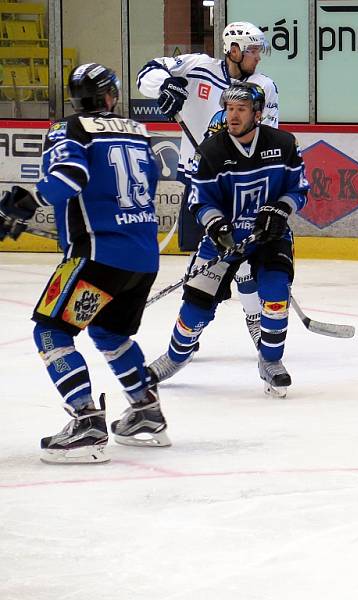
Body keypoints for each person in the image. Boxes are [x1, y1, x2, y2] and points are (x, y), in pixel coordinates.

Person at [0, 63, 168, 464]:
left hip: (97, 258)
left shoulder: (69, 129)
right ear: (110, 96)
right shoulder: (137, 132)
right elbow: (152, 180)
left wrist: (25, 204)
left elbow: (69, 176)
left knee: (51, 331)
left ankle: (87, 422)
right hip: (142, 258)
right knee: (110, 334)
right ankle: (146, 412)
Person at [146, 82, 308, 398]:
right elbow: (198, 199)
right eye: (230, 109)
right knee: (196, 307)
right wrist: (217, 226)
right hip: (224, 239)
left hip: (269, 237)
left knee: (275, 295)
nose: (233, 116)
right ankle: (175, 357)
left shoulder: (284, 144)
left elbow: (298, 188)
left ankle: (270, 361)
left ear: (258, 114)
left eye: (241, 109)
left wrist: (279, 210)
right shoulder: (210, 151)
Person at [137, 21, 279, 349]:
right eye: (253, 51)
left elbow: (268, 136)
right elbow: (147, 73)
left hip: (242, 186)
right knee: (207, 263)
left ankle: (254, 321)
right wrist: (165, 87)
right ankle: (193, 326)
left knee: (243, 258)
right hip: (199, 182)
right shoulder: (198, 67)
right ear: (234, 50)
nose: (258, 57)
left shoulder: (264, 86)